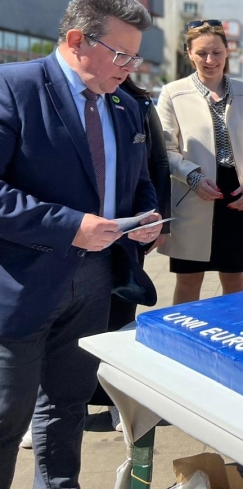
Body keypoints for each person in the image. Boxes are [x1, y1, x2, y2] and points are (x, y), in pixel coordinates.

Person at [0, 0, 162, 489]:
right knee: (7, 416)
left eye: (135, 57)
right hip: (22, 286)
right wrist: (69, 225)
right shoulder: (14, 87)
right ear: (77, 40)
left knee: (68, 405)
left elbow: (139, 182)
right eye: (121, 54)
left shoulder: (125, 106)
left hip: (95, 283)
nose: (130, 68)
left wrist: (145, 217)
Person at [157, 20, 243, 304]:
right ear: (189, 53)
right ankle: (183, 331)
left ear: (228, 51)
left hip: (237, 196)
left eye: (217, 52)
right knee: (188, 281)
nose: (210, 60)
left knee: (235, 280)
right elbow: (165, 150)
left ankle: (234, 330)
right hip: (192, 193)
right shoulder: (173, 93)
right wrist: (192, 176)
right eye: (202, 53)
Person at [87, 75, 171, 432]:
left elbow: (156, 165)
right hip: (74, 238)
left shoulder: (137, 104)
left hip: (127, 236)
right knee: (64, 326)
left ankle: (117, 401)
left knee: (120, 317)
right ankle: (53, 403)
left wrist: (158, 220)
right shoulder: (68, 101)